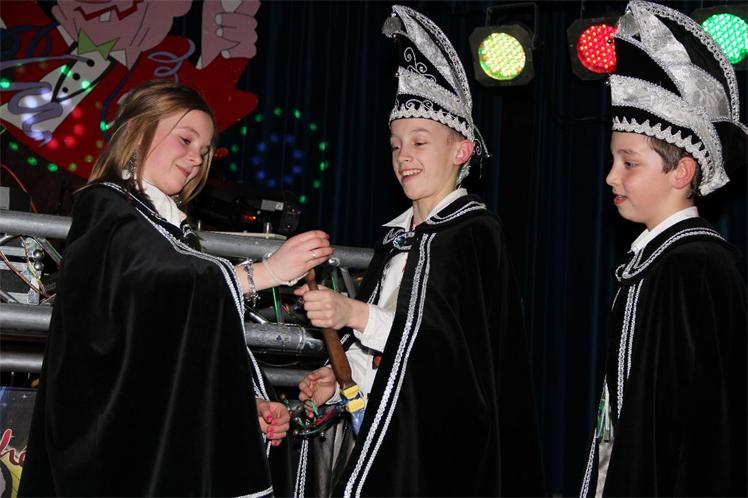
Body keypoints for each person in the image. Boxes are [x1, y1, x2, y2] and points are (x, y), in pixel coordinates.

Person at [18, 80, 333, 497]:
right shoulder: (107, 209)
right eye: (185, 140)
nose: (196, 158)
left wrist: (247, 403)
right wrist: (265, 272)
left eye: (204, 150)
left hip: (152, 433)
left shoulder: (169, 231)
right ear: (137, 132)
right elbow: (159, 280)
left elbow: (185, 342)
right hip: (112, 443)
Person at [293, 6, 546, 497]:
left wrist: (353, 314)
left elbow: (447, 354)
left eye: (420, 142)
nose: (404, 156)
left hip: (442, 454)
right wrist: (341, 378)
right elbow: (388, 351)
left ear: (461, 151)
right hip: (393, 439)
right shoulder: (396, 239)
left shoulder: (473, 234)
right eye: (395, 145)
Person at [579, 2, 747, 496]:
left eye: (629, 163)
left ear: (681, 172)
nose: (611, 177)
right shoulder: (661, 263)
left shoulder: (689, 267)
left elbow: (682, 430)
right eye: (614, 160)